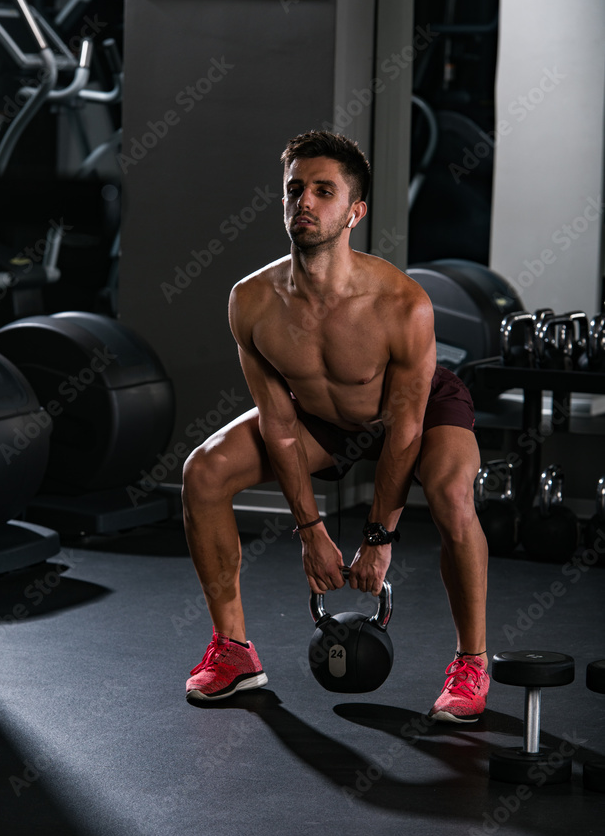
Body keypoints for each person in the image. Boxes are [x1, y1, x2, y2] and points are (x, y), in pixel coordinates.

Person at [182, 130, 489, 722]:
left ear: (355, 212)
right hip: (323, 417)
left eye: (324, 191)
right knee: (204, 472)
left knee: (452, 496)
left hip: (414, 409)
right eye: (295, 189)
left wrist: (378, 541)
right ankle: (234, 650)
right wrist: (309, 530)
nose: (305, 202)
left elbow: (403, 431)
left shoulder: (403, 304)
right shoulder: (251, 301)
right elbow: (281, 423)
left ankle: (472, 661)